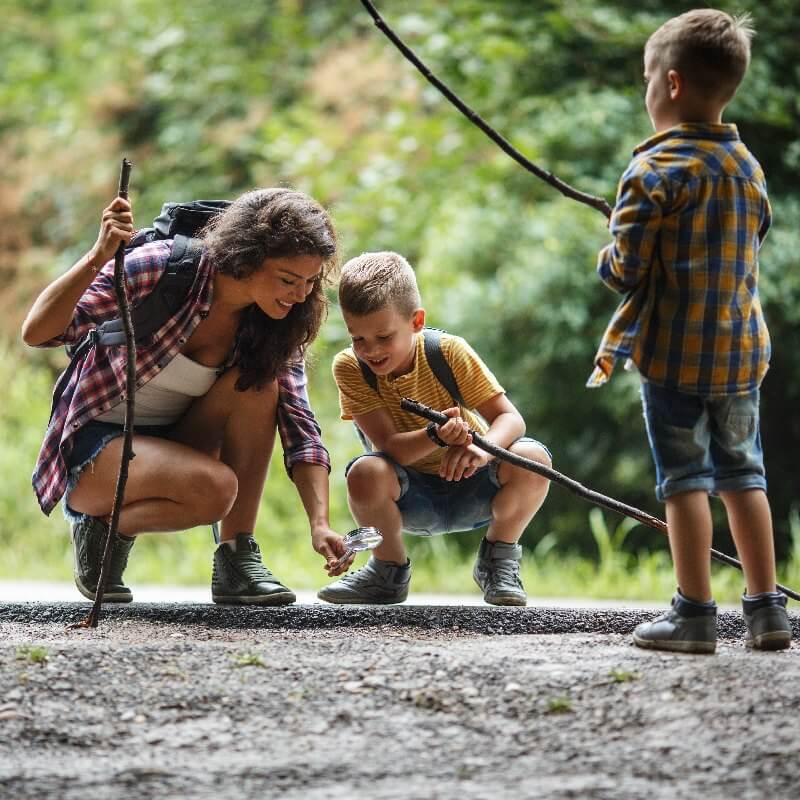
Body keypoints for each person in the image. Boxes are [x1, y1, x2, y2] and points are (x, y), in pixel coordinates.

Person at [22, 187, 355, 605]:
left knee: (259, 386)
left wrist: (320, 523)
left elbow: (300, 426)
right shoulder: (163, 269)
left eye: (310, 281)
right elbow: (38, 332)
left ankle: (236, 558)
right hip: (96, 452)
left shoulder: (277, 321)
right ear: (247, 257)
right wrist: (97, 257)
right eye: (288, 280)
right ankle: (100, 528)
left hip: (177, 444)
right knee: (216, 488)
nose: (300, 295)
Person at [588, 9, 792, 652]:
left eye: (648, 78)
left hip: (674, 357)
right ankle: (766, 611)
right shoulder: (747, 168)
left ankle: (695, 614)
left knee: (686, 480)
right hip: (737, 354)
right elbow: (750, 240)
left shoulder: (651, 172)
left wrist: (608, 248)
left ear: (671, 85)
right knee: (744, 476)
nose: (647, 90)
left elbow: (624, 270)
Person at [317, 251, 551, 606]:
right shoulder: (351, 368)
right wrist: (435, 436)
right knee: (365, 471)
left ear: (416, 321)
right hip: (410, 495)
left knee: (533, 457)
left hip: (473, 485)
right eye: (358, 338)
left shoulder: (448, 352)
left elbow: (510, 419)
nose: (371, 351)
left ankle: (498, 562)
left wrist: (481, 448)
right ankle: (388, 571)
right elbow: (388, 446)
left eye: (383, 337)